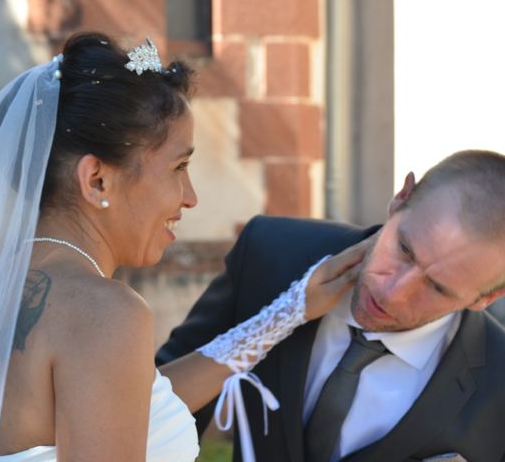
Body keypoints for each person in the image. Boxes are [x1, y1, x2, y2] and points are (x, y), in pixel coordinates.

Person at [0, 32, 369, 462]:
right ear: (96, 179)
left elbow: (137, 401)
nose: (190, 197)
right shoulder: (105, 312)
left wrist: (288, 310)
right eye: (178, 167)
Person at [158, 150, 505, 462]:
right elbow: (145, 418)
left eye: (437, 287)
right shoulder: (269, 252)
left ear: (484, 298)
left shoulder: (499, 384)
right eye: (404, 249)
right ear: (401, 198)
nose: (392, 292)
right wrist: (281, 316)